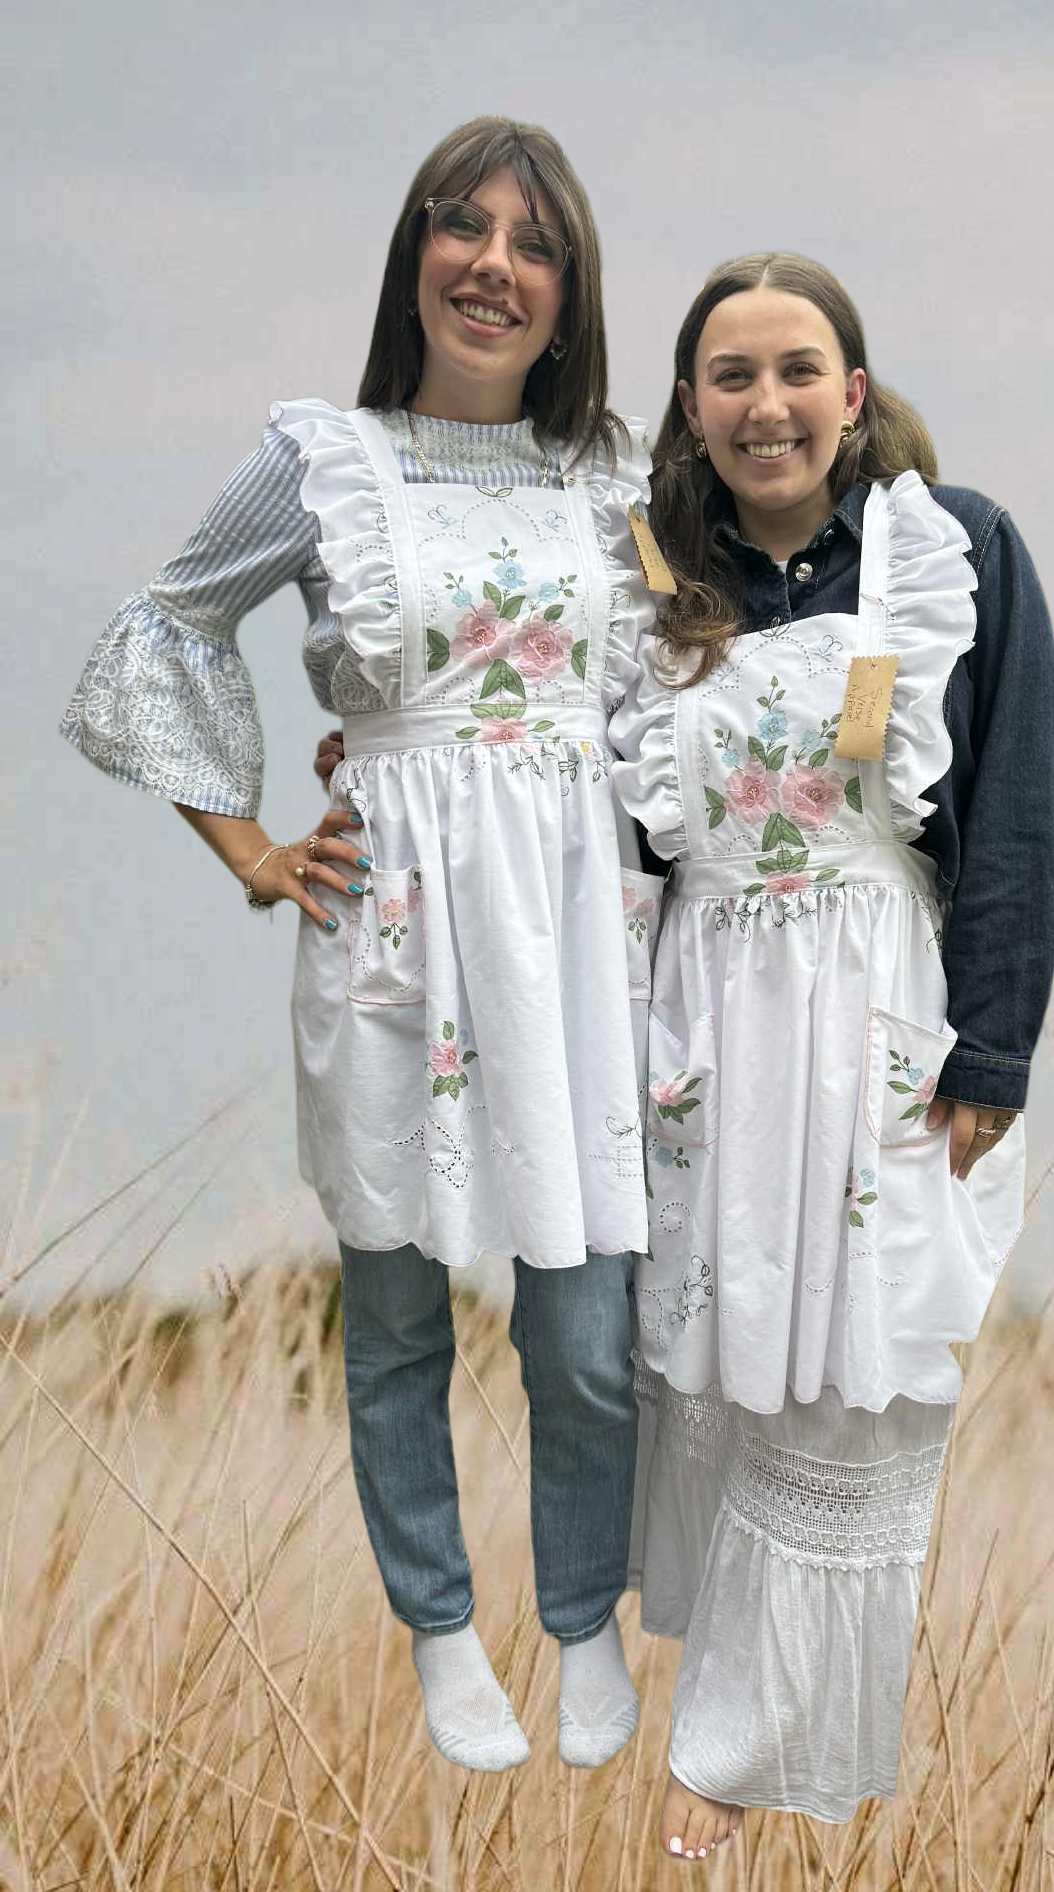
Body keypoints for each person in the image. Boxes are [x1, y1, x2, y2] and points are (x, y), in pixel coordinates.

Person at [60, 117, 667, 1774]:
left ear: (568, 292)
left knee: (590, 1335)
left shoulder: (615, 475)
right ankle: (442, 1626)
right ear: (415, 257)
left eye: (530, 243)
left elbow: (690, 667)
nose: (492, 263)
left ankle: (581, 1611)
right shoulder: (325, 457)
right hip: (391, 917)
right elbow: (165, 623)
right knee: (396, 1311)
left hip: (569, 930)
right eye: (460, 228)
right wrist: (252, 844)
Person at [611, 253, 1054, 1858]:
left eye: (798, 370)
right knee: (728, 1346)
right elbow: (610, 834)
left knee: (860, 1362)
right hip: (706, 1023)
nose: (767, 404)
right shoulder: (652, 584)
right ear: (692, 406)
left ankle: (734, 1757)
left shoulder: (956, 555)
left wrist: (995, 1050)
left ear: (853, 393)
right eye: (731, 377)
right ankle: (719, 1723)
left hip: (879, 1007)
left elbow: (1014, 804)